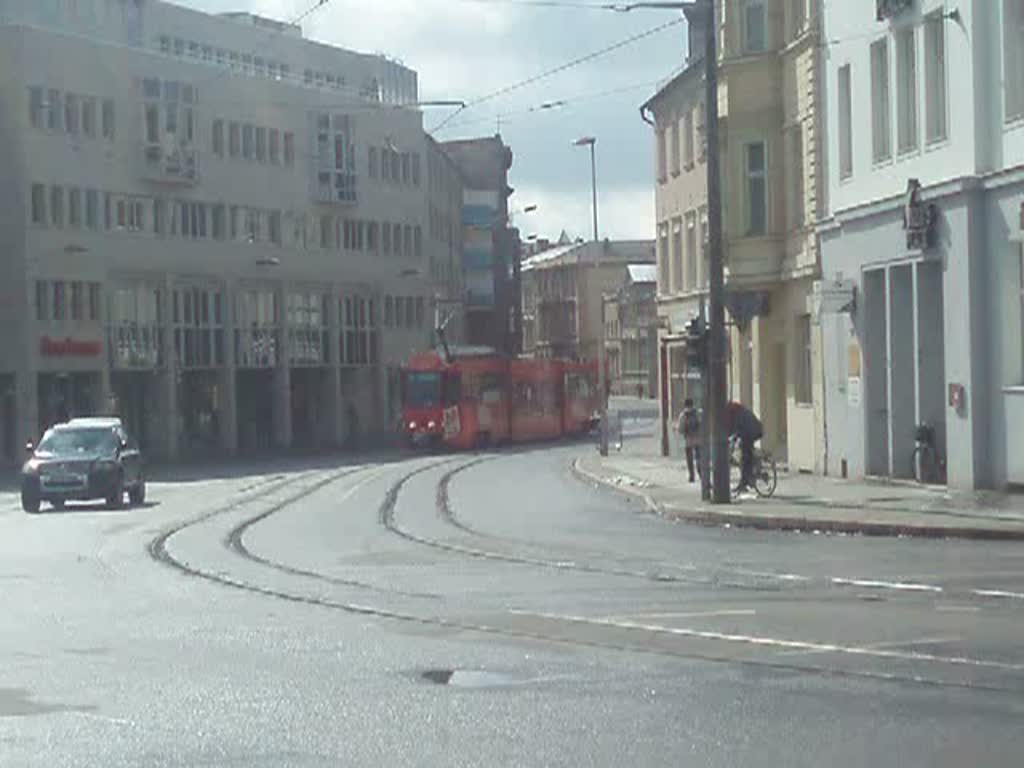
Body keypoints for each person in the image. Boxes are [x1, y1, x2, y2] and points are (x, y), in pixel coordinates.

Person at [724, 400, 763, 491]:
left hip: (752, 432)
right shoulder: (740, 411)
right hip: (753, 431)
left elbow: (736, 427)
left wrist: (730, 436)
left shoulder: (738, 414)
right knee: (744, 451)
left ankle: (744, 482)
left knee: (745, 456)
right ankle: (749, 476)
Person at [676, 398, 701, 483]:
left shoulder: (683, 415)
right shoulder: (697, 413)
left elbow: (680, 429)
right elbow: (701, 424)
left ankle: (692, 476)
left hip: (688, 440)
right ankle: (701, 473)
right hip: (698, 439)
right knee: (699, 458)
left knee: (689, 459)